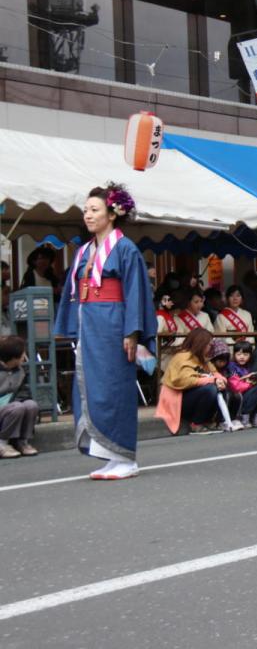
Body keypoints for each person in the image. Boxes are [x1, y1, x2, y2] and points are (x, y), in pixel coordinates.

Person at [53, 183, 156, 480]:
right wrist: (71, 323)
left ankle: (125, 455)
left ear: (112, 214)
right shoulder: (85, 249)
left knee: (115, 385)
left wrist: (132, 332)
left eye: (94, 210)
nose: (88, 215)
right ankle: (109, 455)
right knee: (92, 385)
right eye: (85, 210)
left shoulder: (125, 248)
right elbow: (76, 291)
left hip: (114, 323)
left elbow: (135, 291)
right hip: (90, 322)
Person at [156, 328, 222, 436]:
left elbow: (214, 372)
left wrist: (220, 380)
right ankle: (196, 424)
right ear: (201, 344)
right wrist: (212, 380)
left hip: (189, 396)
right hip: (176, 398)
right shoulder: (182, 357)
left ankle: (208, 421)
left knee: (219, 387)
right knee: (210, 389)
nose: (211, 347)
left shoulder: (202, 358)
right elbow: (184, 381)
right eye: (209, 345)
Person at [0, 335, 39, 458]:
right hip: (4, 408)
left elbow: (24, 392)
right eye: (22, 354)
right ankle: (2, 443)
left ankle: (22, 441)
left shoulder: (20, 371)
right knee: (16, 407)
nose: (24, 356)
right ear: (13, 356)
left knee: (31, 405)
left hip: (10, 406)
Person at [228, 340, 257, 427]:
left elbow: (256, 378)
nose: (242, 357)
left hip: (250, 393)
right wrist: (251, 384)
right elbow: (235, 387)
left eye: (245, 354)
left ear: (250, 355)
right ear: (234, 355)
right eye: (239, 354)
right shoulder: (232, 366)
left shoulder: (251, 366)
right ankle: (245, 415)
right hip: (240, 397)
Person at [205, 339, 247, 432]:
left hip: (228, 388)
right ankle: (221, 420)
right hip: (215, 391)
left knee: (237, 395)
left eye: (224, 360)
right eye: (219, 360)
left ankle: (235, 418)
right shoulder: (209, 366)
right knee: (226, 395)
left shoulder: (228, 368)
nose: (222, 363)